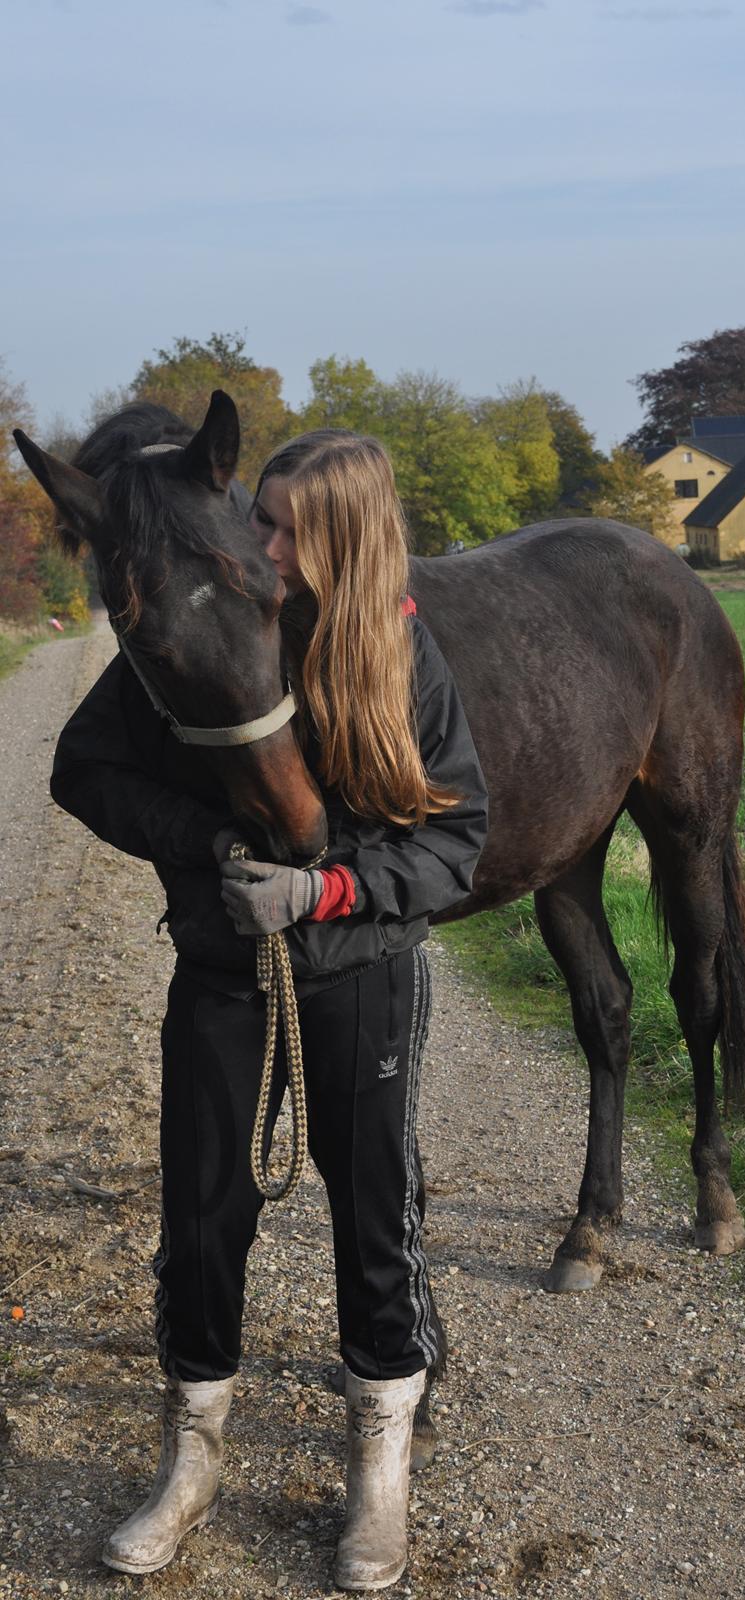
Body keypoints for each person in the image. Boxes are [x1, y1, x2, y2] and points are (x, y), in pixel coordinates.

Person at [49, 430, 489, 1591]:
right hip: (222, 971)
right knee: (200, 1220)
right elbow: (81, 769)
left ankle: (379, 1470)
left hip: (362, 974)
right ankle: (189, 1465)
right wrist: (204, 845)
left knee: (373, 1223)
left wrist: (330, 887)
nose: (260, 537)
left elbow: (456, 840)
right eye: (263, 515)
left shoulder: (398, 652)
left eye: (287, 525)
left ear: (345, 536)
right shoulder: (211, 624)